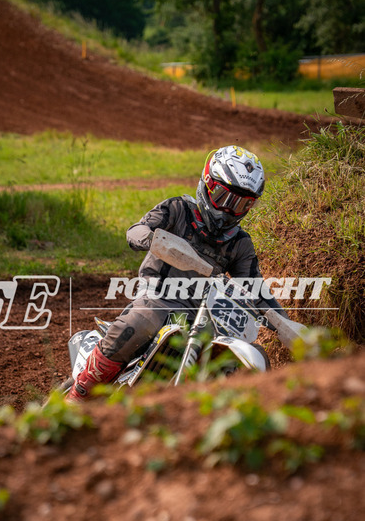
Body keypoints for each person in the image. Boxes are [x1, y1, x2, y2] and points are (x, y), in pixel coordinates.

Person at [67, 145, 287, 402]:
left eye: (241, 204)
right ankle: (78, 396)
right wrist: (153, 240)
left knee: (250, 353)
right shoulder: (178, 209)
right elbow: (135, 230)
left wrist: (287, 326)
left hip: (204, 315)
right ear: (207, 184)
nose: (229, 210)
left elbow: (255, 289)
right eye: (224, 197)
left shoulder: (240, 243)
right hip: (158, 297)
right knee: (143, 320)